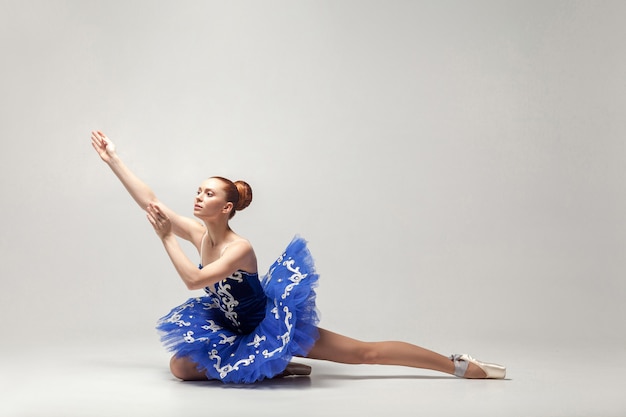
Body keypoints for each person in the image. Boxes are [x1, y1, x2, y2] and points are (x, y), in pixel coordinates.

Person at [91, 130, 506, 383]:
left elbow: (192, 280)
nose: (199, 196)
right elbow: (152, 201)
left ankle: (457, 365)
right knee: (180, 368)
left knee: (365, 353)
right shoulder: (199, 232)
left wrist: (165, 238)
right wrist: (114, 160)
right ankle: (277, 367)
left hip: (271, 326)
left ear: (227, 208)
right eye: (198, 190)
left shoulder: (240, 248)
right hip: (234, 328)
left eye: (209, 193)